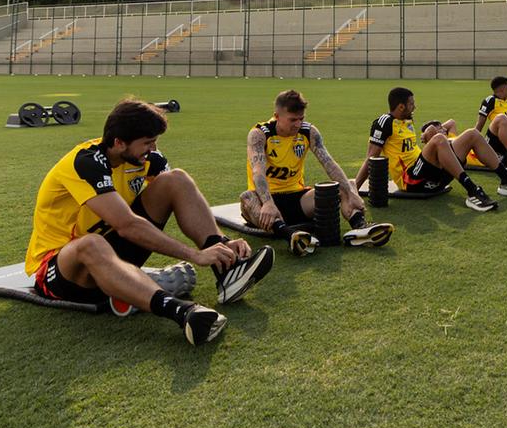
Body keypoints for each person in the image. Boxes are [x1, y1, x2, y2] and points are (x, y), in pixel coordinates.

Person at [25, 99, 274, 345]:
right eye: (147, 143)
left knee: (176, 179)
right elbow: (127, 225)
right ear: (119, 142)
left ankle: (227, 268)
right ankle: (183, 312)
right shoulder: (86, 163)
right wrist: (194, 255)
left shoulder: (144, 158)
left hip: (112, 253)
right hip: (60, 270)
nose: (153, 149)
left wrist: (220, 243)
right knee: (91, 244)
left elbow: (181, 197)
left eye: (154, 141)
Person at [241, 90, 393, 256]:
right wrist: (268, 203)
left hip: (298, 199)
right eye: (293, 120)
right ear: (276, 116)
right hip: (265, 202)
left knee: (346, 184)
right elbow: (258, 172)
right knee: (247, 197)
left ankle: (360, 228)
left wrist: (351, 192)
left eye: (301, 119)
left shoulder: (308, 132)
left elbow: (329, 164)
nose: (298, 124)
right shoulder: (260, 134)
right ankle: (291, 237)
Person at [354, 87, 507, 213]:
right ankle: (473, 190)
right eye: (411, 104)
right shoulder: (384, 122)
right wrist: (354, 189)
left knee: (472, 134)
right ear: (400, 106)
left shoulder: (406, 121)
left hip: (428, 175)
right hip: (410, 179)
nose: (414, 106)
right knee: (439, 139)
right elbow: (371, 157)